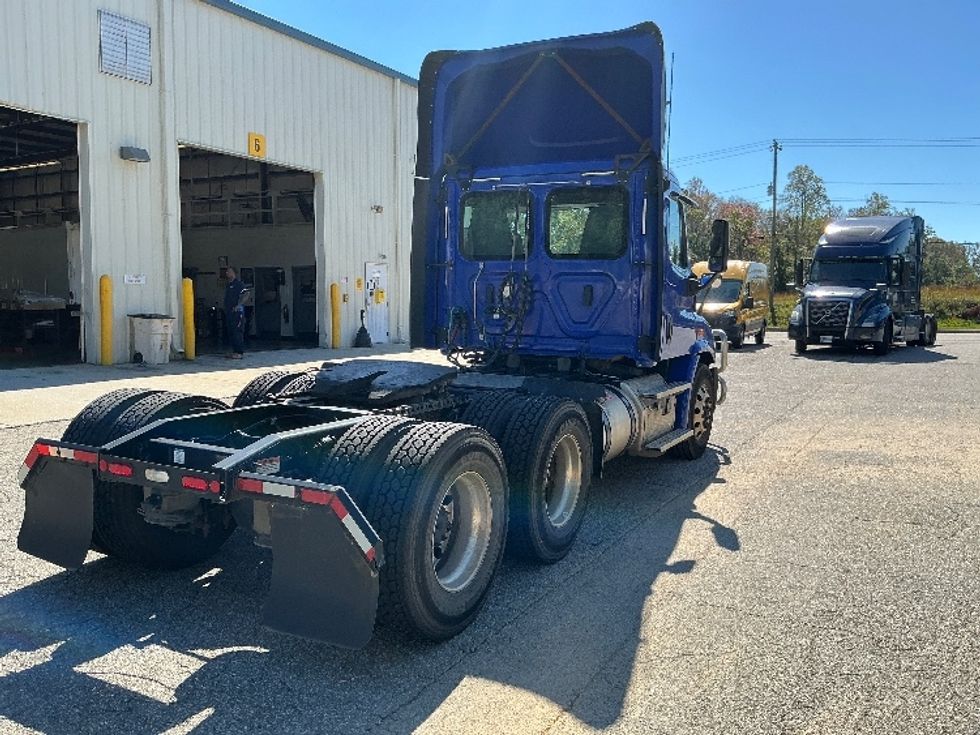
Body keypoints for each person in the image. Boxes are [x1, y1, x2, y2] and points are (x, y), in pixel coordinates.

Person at [223, 267, 247, 359]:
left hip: (237, 313)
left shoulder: (239, 284)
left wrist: (239, 305)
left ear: (234, 273)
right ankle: (234, 351)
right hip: (229, 312)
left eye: (229, 271)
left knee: (237, 331)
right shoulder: (229, 285)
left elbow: (246, 294)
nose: (227, 273)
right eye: (226, 272)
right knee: (231, 331)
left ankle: (239, 352)